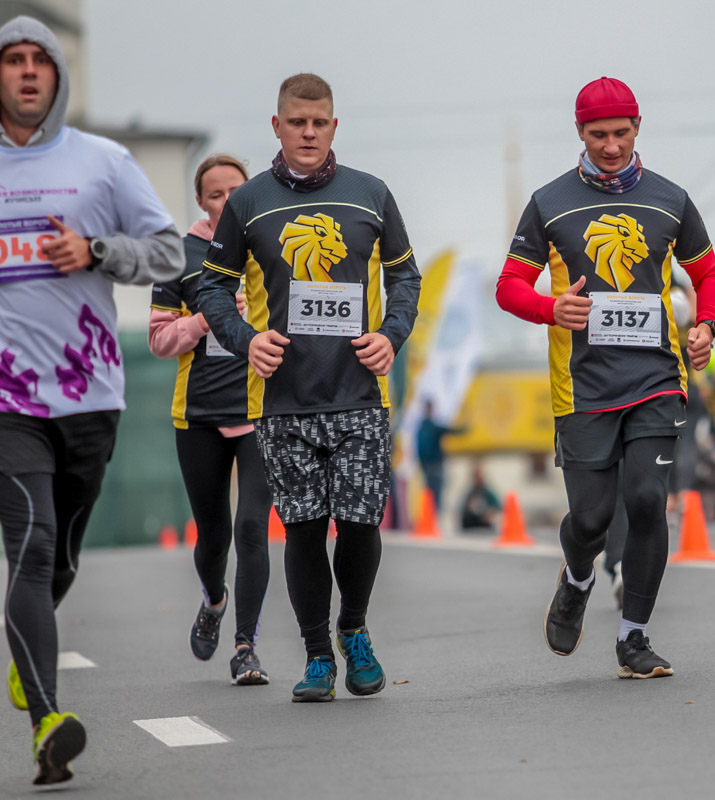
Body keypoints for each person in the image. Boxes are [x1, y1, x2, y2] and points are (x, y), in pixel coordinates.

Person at [0, 16, 184, 784]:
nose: (29, 72)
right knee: (33, 545)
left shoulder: (103, 163)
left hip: (89, 393)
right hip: (7, 402)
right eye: (13, 60)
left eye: (41, 59)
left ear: (57, 76)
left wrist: (98, 251)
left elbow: (173, 252)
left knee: (62, 551)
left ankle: (24, 645)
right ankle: (49, 719)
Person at [197, 73, 421, 703]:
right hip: (285, 400)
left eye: (319, 122)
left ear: (334, 126)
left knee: (358, 525)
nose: (308, 133)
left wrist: (391, 335)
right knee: (302, 528)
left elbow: (407, 280)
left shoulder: (371, 194)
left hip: (360, 394)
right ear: (277, 126)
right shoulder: (250, 203)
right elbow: (211, 287)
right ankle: (318, 654)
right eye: (297, 122)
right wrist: (247, 339)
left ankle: (353, 629)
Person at [495, 76, 715, 678]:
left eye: (621, 133)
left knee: (647, 501)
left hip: (655, 378)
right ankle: (576, 577)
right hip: (583, 387)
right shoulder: (550, 202)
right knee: (592, 519)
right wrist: (552, 308)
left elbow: (711, 277)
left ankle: (634, 637)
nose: (612, 146)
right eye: (598, 135)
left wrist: (706, 326)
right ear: (579, 133)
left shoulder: (670, 199)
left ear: (637, 128)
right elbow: (509, 286)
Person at [148, 155, 272, 685]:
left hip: (259, 409)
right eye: (215, 194)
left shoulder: (268, 245)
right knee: (215, 535)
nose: (225, 202)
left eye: (234, 192)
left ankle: (246, 647)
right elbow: (157, 339)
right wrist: (203, 319)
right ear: (201, 201)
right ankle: (215, 601)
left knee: (252, 529)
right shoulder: (179, 255)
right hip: (197, 411)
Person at [459, 462, 501, 531]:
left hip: (484, 524)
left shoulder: (488, 493)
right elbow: (463, 511)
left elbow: (497, 507)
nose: (477, 479)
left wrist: (491, 513)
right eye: (476, 476)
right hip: (471, 525)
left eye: (479, 476)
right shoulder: (469, 494)